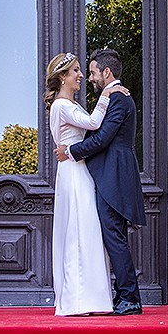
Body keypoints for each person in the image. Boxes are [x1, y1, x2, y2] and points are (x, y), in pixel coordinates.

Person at [54, 47, 146, 315]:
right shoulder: (113, 97)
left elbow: (103, 137)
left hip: (114, 176)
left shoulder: (118, 98)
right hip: (107, 175)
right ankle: (124, 295)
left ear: (107, 72)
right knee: (111, 235)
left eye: (93, 73)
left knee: (113, 236)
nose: (89, 78)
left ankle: (129, 298)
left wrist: (70, 151)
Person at [45, 52, 115, 316]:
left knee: (85, 230)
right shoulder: (63, 106)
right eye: (75, 71)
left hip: (76, 169)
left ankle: (89, 298)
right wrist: (108, 93)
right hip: (73, 173)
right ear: (63, 77)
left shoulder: (66, 105)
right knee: (78, 230)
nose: (81, 75)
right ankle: (79, 300)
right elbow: (94, 123)